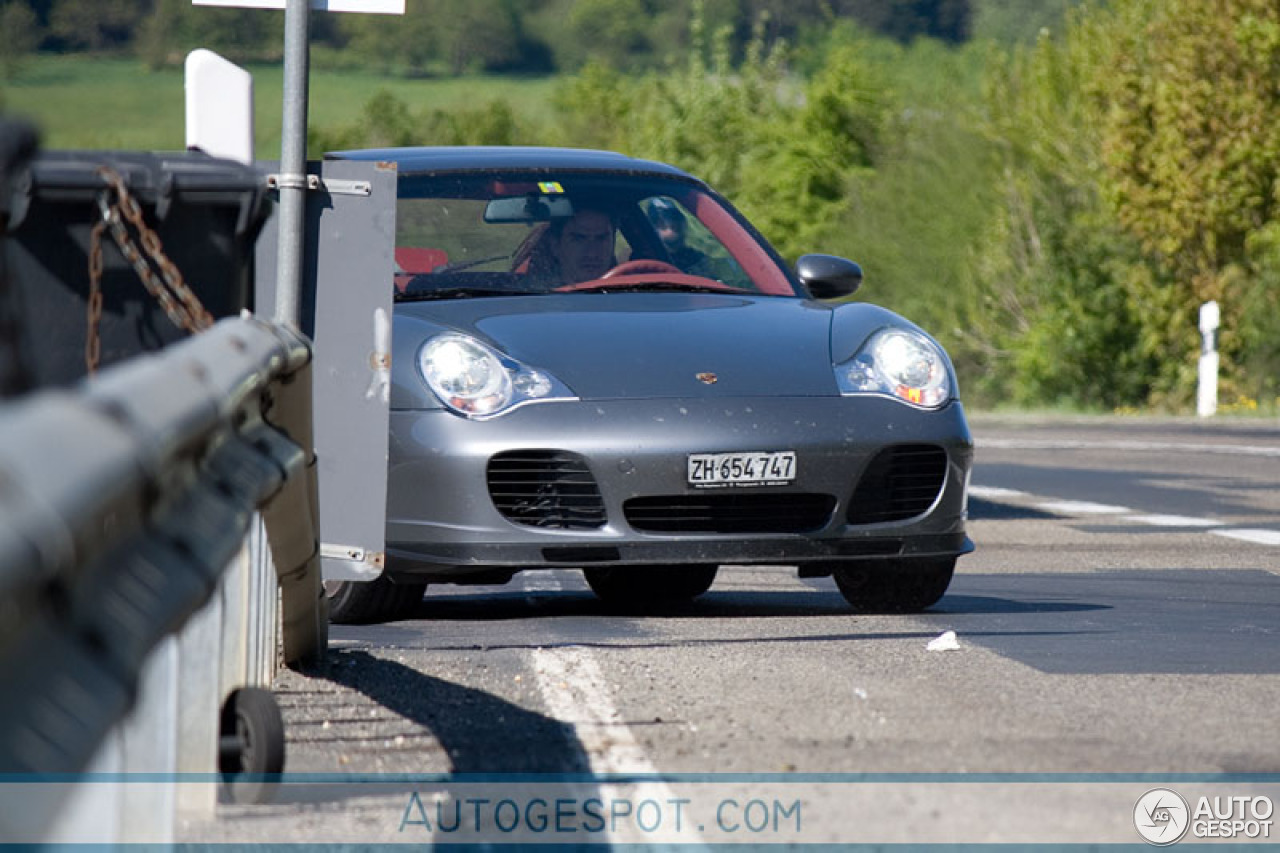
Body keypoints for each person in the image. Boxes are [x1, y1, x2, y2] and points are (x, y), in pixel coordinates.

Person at [522, 206, 618, 288]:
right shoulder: (531, 301)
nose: (592, 253)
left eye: (601, 239)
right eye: (579, 239)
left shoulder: (631, 291)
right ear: (556, 246)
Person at [646, 198, 716, 278]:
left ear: (684, 219)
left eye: (674, 215)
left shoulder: (699, 259)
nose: (669, 222)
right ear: (650, 225)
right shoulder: (645, 263)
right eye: (656, 218)